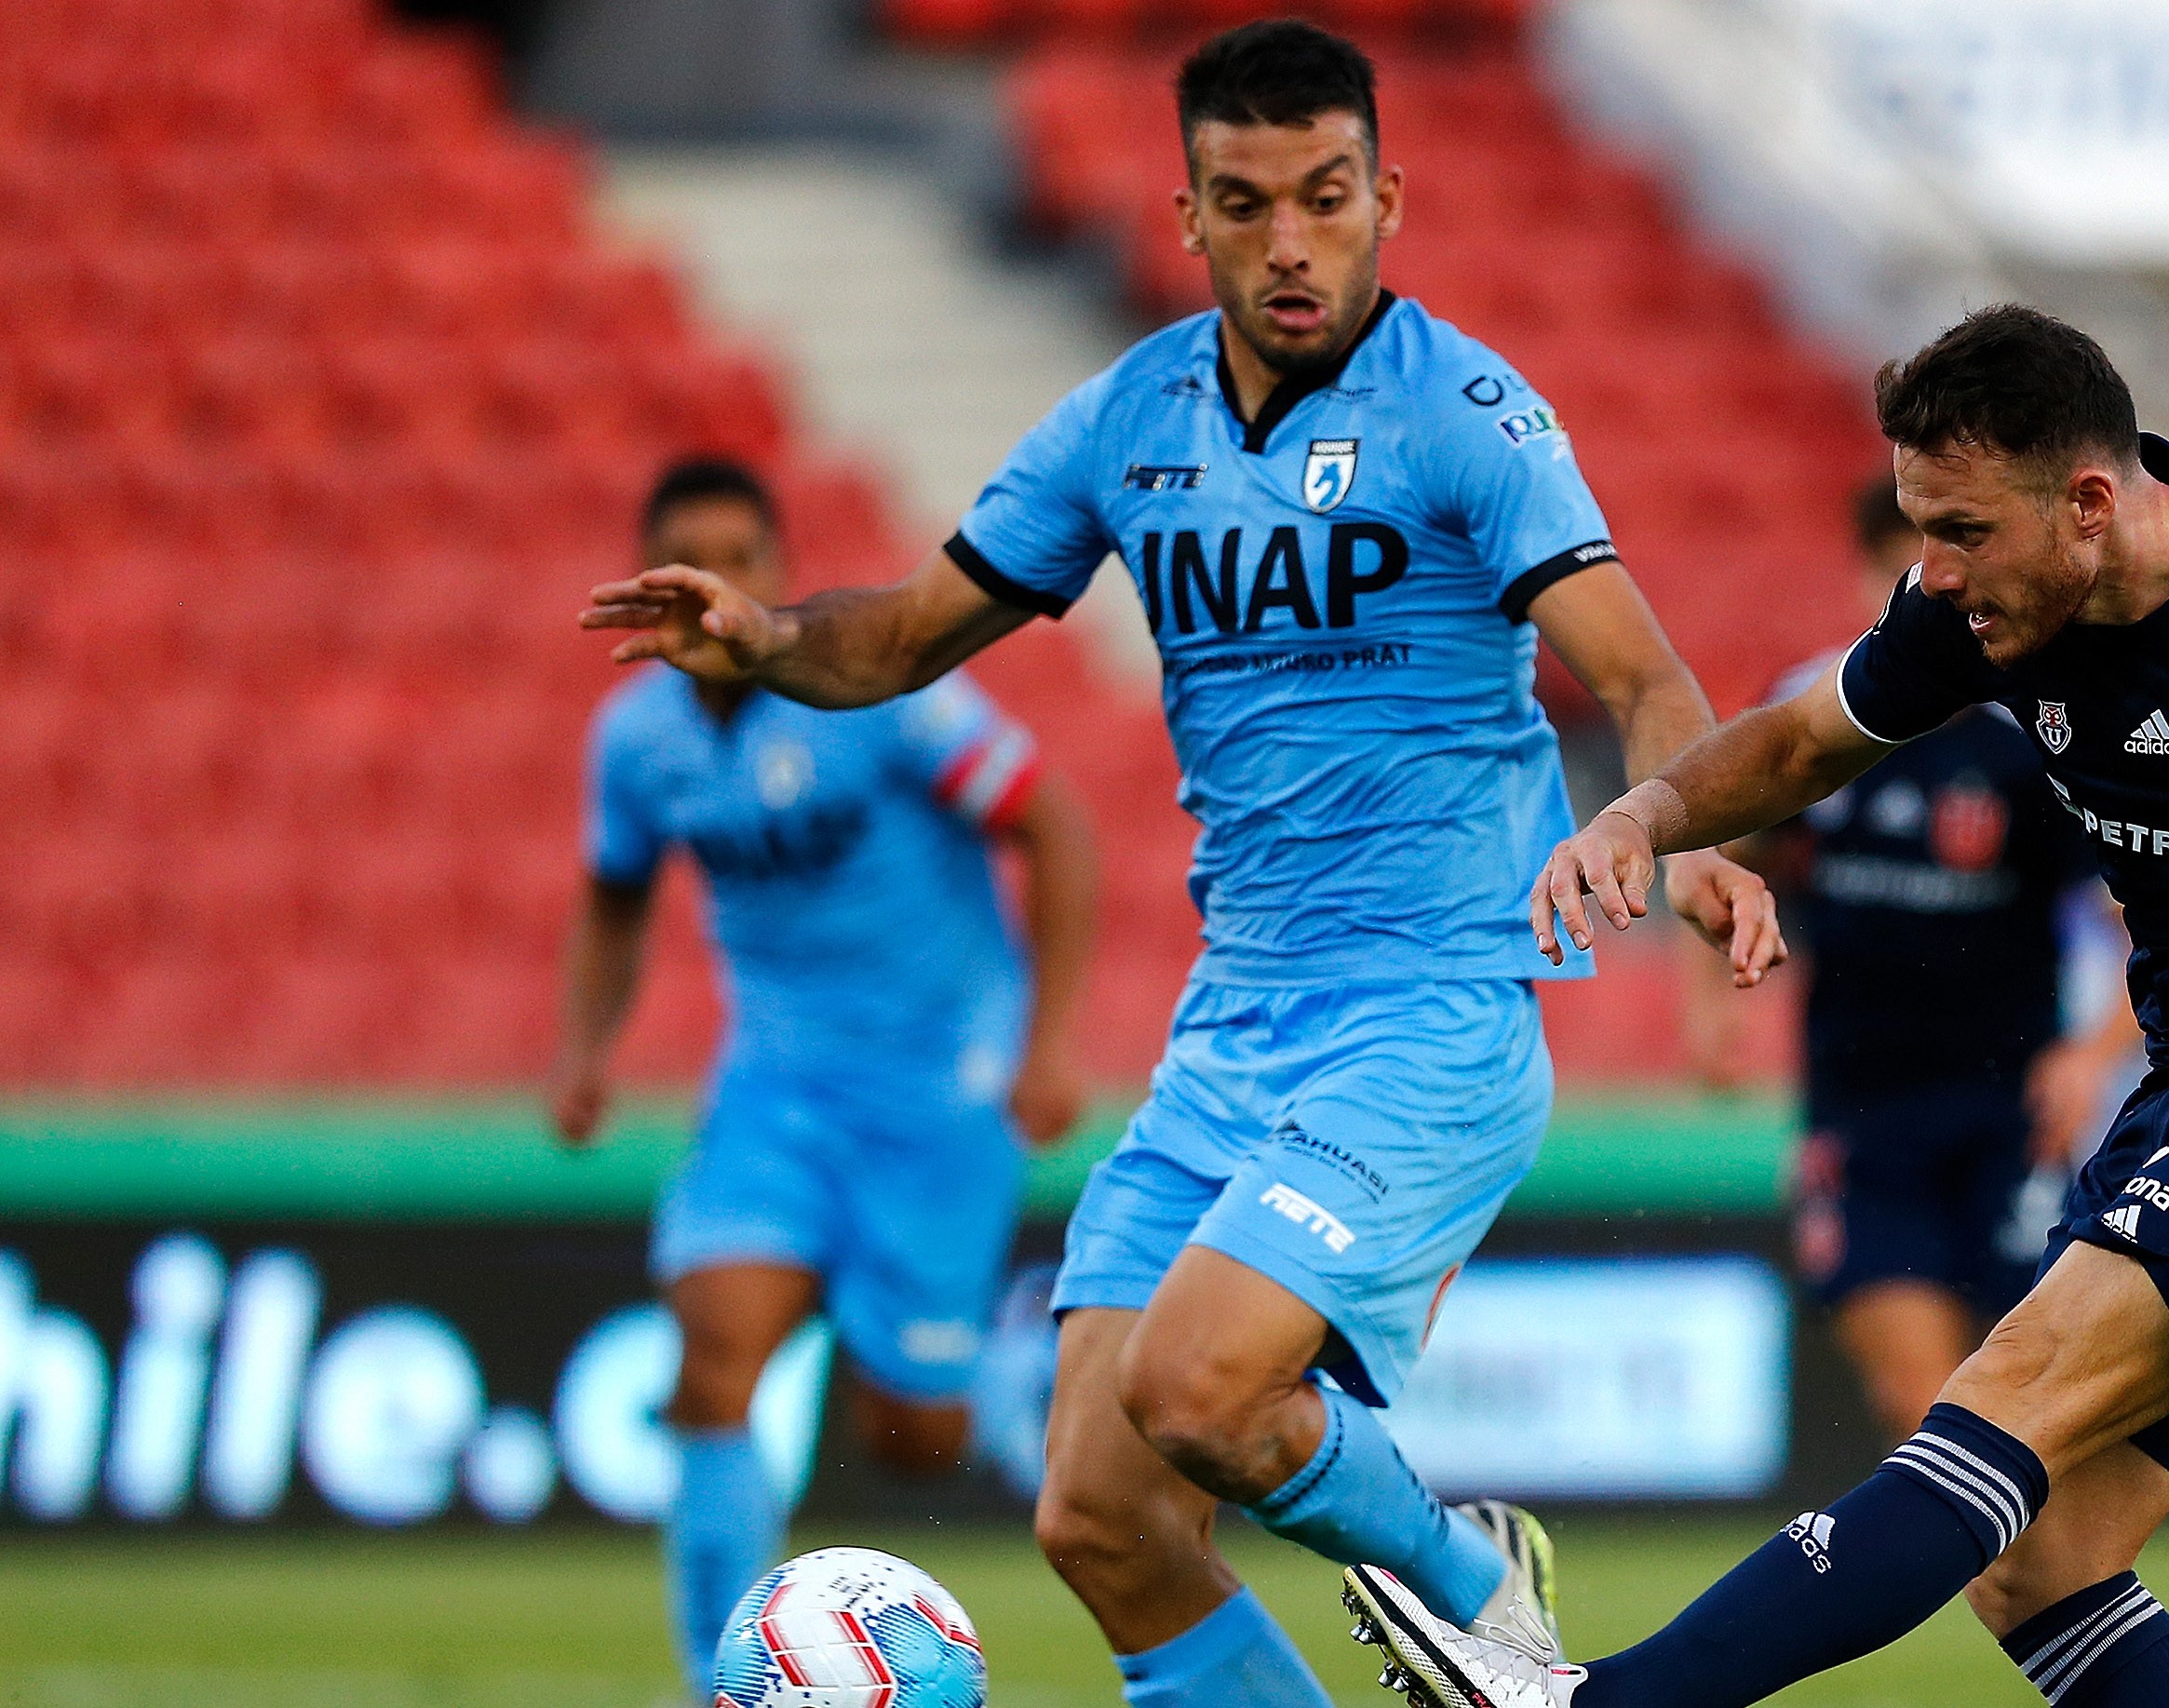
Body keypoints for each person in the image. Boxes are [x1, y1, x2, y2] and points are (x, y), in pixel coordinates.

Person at [577, 23, 1781, 1708]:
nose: (1292, 240)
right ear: (1190, 213)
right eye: (1247, 202)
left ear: (1387, 200)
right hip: (1237, 1032)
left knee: (1204, 1392)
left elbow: (1643, 677)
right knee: (1098, 1513)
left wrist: (1686, 835)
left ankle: (1470, 1586)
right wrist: (769, 630)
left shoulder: (1470, 414)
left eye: (1327, 196)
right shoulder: (1125, 420)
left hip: (1430, 1014)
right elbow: (909, 637)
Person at [1345, 304, 2169, 1708]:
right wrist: (1642, 812)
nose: (1931, 570)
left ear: (2091, 503)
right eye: (1919, 526)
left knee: (2015, 1380)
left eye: (1963, 530)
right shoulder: (1979, 609)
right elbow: (1806, 738)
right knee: (2038, 1562)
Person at [550, 455, 1098, 1691]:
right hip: (777, 1093)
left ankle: (1007, 1372)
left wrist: (1048, 1040)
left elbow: (1051, 823)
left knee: (914, 1437)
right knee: (710, 1353)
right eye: (691, 557)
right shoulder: (636, 739)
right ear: (653, 582)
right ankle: (716, 1678)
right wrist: (585, 1052)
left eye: (741, 558)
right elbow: (613, 895)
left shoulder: (878, 694)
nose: (717, 582)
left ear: (778, 573)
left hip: (936, 1092)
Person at [1704, 479, 2137, 1443]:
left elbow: (2151, 921)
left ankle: (2042, 1582)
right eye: (1905, 567)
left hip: (2013, 1117)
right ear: (1870, 574)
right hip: (1860, 1118)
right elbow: (1718, 860)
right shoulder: (1807, 716)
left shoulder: (2029, 737)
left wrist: (2089, 1054)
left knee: (2024, 1404)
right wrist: (1715, 1013)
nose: (1933, 592)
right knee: (1918, 1400)